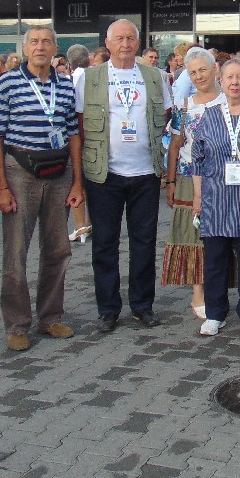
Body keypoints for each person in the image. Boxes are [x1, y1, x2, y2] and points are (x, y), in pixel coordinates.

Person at [0, 26, 84, 352]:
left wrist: (77, 181)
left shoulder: (65, 85)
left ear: (55, 48)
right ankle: (17, 324)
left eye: (47, 42)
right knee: (16, 252)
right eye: (34, 42)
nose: (40, 47)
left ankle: (50, 316)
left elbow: (73, 134)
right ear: (25, 49)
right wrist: (0, 186)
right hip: (20, 172)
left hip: (59, 173)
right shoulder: (7, 83)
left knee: (58, 249)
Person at [75, 19, 172, 333]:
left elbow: (165, 116)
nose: (125, 44)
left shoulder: (155, 76)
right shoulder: (89, 78)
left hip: (145, 172)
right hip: (105, 173)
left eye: (131, 38)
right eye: (119, 38)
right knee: (105, 243)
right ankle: (108, 309)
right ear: (107, 43)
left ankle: (142, 306)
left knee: (144, 242)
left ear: (139, 42)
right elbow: (79, 123)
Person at [191, 58, 240, 336]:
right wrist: (198, 197)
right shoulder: (209, 115)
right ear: (221, 81)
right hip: (215, 198)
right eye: (230, 77)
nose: (235, 82)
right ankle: (215, 313)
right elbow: (197, 158)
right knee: (215, 259)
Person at [163, 47, 225, 320]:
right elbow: (175, 145)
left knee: (222, 233)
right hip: (189, 177)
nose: (199, 76)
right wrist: (171, 181)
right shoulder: (184, 106)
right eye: (193, 72)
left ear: (215, 70)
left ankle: (219, 288)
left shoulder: (229, 101)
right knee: (194, 235)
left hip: (223, 177)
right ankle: (198, 292)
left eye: (203, 70)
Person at [65, 44, 92, 243]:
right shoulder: (92, 76)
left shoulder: (72, 79)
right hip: (91, 136)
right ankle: (89, 224)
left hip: (76, 137)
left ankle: (81, 226)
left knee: (77, 182)